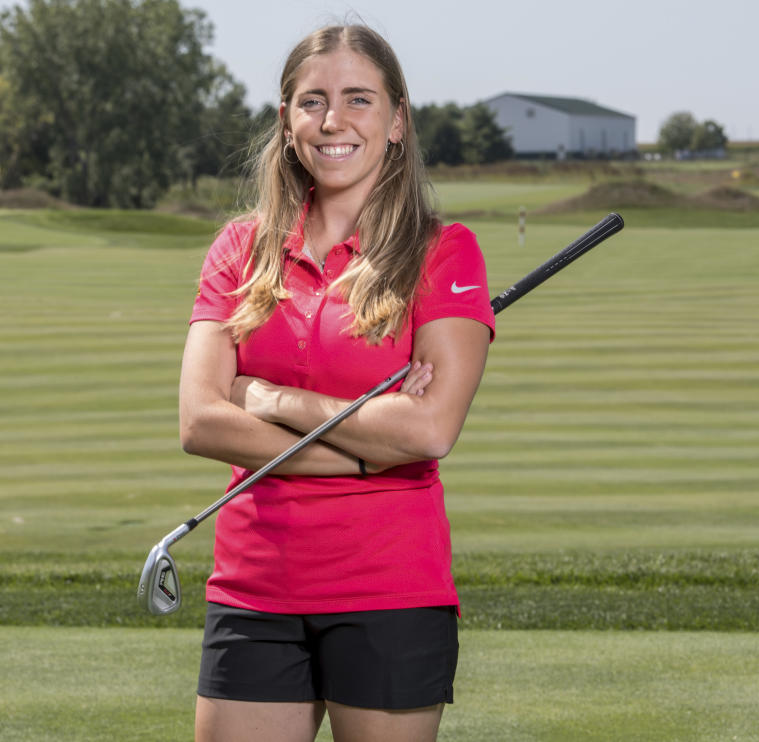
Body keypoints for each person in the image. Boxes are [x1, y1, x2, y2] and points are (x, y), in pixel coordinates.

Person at [179, 24, 495, 742]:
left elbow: (427, 431)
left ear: (397, 122)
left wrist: (266, 396)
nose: (333, 121)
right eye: (312, 101)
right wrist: (366, 446)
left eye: (359, 99)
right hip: (254, 586)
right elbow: (199, 420)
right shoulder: (241, 247)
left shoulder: (443, 251)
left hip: (389, 588)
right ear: (288, 123)